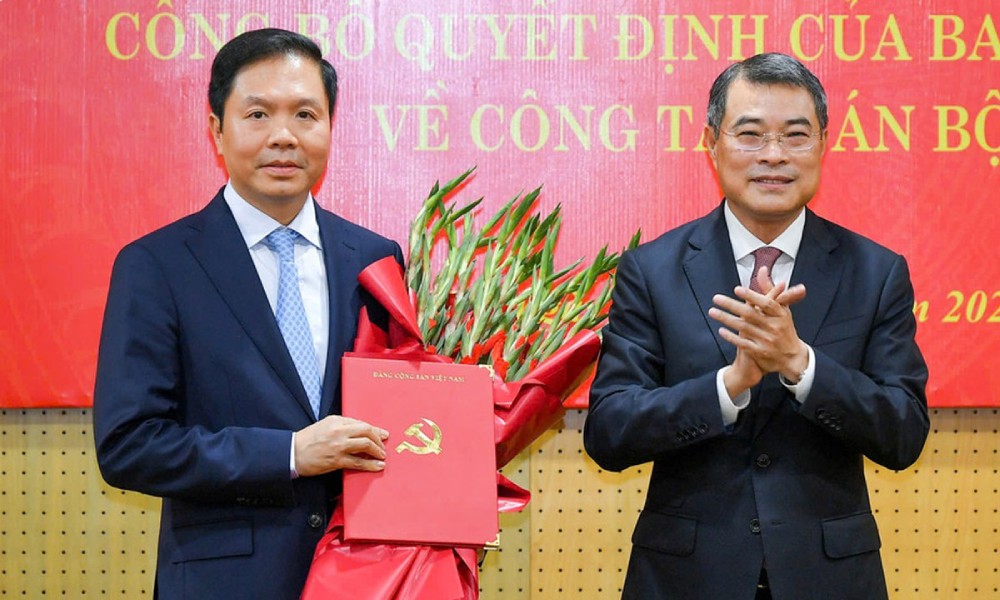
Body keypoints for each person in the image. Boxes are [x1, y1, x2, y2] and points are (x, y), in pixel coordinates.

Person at [583, 53, 929, 600]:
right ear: (711, 143)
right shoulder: (652, 270)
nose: (774, 156)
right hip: (685, 579)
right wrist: (729, 386)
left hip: (829, 579)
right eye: (750, 134)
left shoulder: (876, 272)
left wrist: (801, 365)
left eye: (795, 135)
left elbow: (905, 433)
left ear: (822, 145)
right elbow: (609, 432)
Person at [93, 29, 401, 599]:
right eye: (257, 114)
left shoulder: (377, 260)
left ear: (330, 125)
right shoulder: (156, 265)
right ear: (217, 128)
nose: (283, 136)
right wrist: (288, 454)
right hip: (223, 580)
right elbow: (129, 446)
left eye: (305, 114)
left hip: (365, 576)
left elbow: (392, 409)